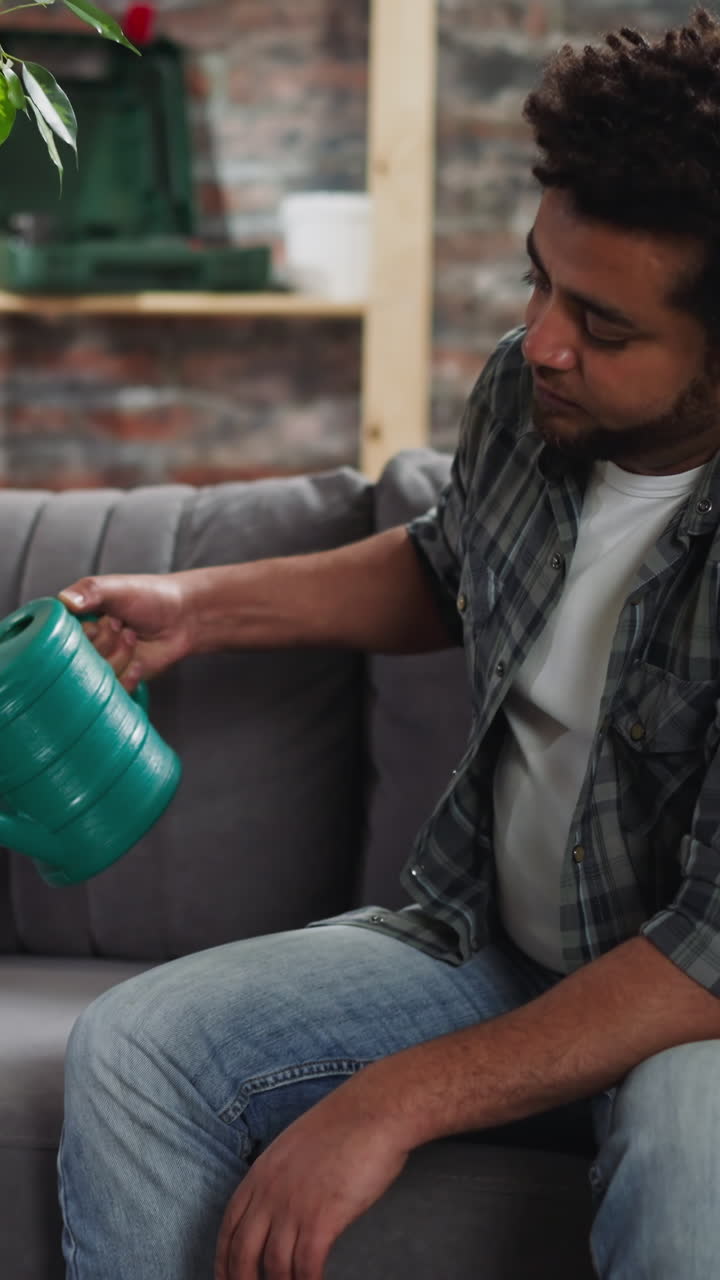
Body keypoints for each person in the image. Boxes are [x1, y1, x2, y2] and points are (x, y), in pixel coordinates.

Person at [57, 10, 720, 1279]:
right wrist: (196, 607)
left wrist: (386, 1099)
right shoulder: (533, 400)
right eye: (538, 278)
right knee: (137, 1047)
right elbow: (448, 565)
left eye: (606, 324)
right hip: (494, 944)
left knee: (698, 1144)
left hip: (692, 1012)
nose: (544, 339)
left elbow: (707, 956)